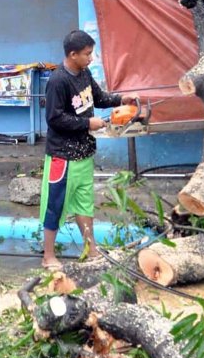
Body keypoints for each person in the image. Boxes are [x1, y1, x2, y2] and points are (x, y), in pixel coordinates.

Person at [40, 30, 137, 269]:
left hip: (83, 153)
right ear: (72, 55)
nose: (90, 58)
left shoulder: (84, 73)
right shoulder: (58, 81)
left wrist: (121, 100)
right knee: (56, 204)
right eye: (87, 54)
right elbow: (54, 118)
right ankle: (48, 256)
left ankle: (90, 248)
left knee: (84, 203)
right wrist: (87, 123)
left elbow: (99, 97)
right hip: (62, 157)